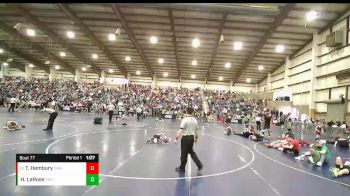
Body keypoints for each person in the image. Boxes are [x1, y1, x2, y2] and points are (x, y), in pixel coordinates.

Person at [175, 107, 203, 173]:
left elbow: (181, 129)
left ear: (186, 111)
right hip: (191, 138)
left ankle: (182, 168)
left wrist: (176, 137)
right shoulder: (195, 120)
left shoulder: (184, 120)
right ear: (192, 112)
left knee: (184, 153)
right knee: (191, 152)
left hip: (185, 138)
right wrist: (196, 138)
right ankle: (199, 164)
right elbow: (196, 130)